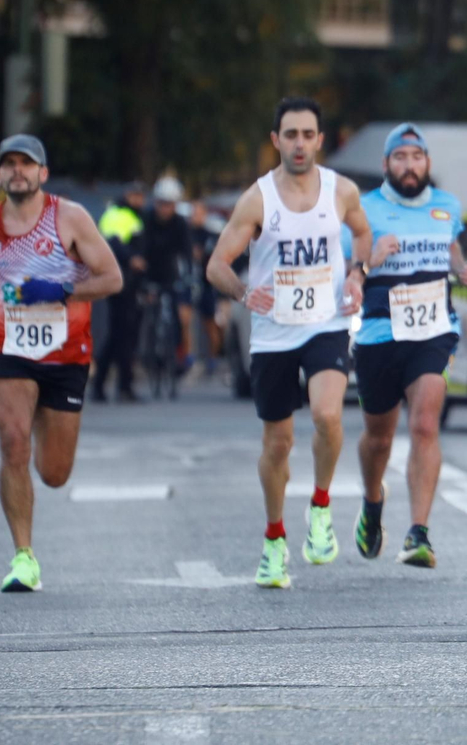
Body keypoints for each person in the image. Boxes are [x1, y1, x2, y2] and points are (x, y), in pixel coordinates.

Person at [206, 97, 372, 589]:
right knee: (277, 444)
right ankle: (275, 539)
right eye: (290, 135)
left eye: (308, 134)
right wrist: (241, 291)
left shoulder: (341, 191)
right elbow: (216, 264)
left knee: (327, 415)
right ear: (275, 141)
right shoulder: (257, 200)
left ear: (320, 140)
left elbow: (363, 233)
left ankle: (321, 505)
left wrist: (358, 273)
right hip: (273, 333)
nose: (299, 144)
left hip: (325, 324)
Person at [0, 134, 123, 592]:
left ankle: (47, 420)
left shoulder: (69, 218)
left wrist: (61, 290)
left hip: (66, 354)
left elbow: (112, 278)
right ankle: (23, 557)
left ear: (42, 174)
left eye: (26, 164)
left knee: (53, 472)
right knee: (12, 443)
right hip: (8, 349)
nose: (17, 172)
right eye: (8, 164)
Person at [349, 123, 467, 569]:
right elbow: (345, 273)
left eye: (417, 157)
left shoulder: (447, 208)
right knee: (379, 437)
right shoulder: (364, 209)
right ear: (386, 165)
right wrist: (369, 260)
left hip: (432, 330)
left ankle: (418, 532)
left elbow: (455, 258)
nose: (410, 166)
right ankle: (372, 501)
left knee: (426, 423)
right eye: (400, 158)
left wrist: (464, 272)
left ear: (427, 163)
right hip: (379, 333)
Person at [93, 181, 146, 402]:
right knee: (121, 337)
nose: (139, 199)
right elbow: (112, 244)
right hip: (120, 282)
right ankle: (121, 387)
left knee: (122, 337)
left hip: (131, 283)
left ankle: (105, 386)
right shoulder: (115, 214)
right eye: (135, 194)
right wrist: (131, 258)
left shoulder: (136, 215)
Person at [143, 176, 195, 391]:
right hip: (149, 273)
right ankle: (149, 356)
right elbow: (140, 248)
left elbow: (187, 253)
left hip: (171, 275)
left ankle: (177, 356)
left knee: (177, 318)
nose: (165, 209)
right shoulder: (147, 219)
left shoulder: (180, 223)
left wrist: (188, 277)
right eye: (162, 204)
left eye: (170, 205)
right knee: (147, 316)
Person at [189, 201, 225, 377]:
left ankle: (212, 359)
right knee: (185, 319)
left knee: (211, 323)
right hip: (189, 282)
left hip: (207, 283)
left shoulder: (209, 235)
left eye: (199, 213)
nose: (195, 216)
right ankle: (189, 359)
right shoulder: (186, 233)